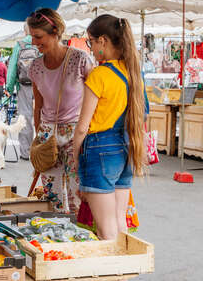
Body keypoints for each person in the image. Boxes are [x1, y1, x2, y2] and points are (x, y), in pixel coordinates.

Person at [73, 14, 145, 240]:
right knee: (120, 223)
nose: (91, 48)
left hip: (99, 149)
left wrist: (76, 158)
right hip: (126, 146)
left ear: (102, 41)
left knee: (105, 229)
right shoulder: (133, 72)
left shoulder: (100, 74)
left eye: (91, 42)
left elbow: (82, 127)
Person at [27, 8, 94, 214]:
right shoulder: (35, 67)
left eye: (38, 37)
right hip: (48, 133)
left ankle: (80, 238)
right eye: (32, 37)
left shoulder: (80, 59)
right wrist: (39, 138)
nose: (34, 43)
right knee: (51, 194)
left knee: (79, 193)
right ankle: (55, 238)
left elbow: (96, 100)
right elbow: (38, 106)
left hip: (77, 132)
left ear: (55, 32)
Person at [6, 25, 39, 160]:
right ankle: (43, 151)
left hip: (24, 85)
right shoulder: (40, 43)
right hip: (42, 85)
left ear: (25, 31)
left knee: (24, 117)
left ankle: (26, 152)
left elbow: (13, 67)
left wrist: (9, 87)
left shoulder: (20, 44)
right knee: (43, 117)